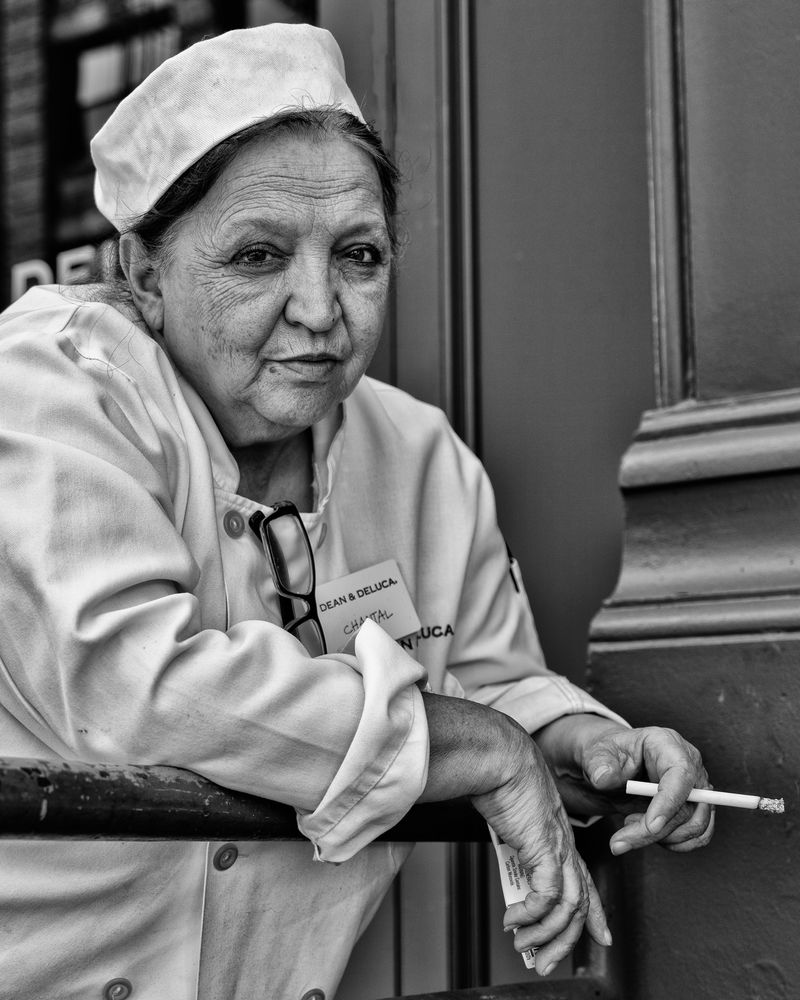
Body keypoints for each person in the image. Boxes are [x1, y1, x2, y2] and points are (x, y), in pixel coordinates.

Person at [0, 23, 714, 1000]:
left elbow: (478, 676)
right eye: (256, 256)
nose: (319, 308)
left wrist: (578, 739)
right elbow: (139, 687)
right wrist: (479, 748)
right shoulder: (51, 388)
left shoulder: (418, 455)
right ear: (144, 270)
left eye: (359, 255)